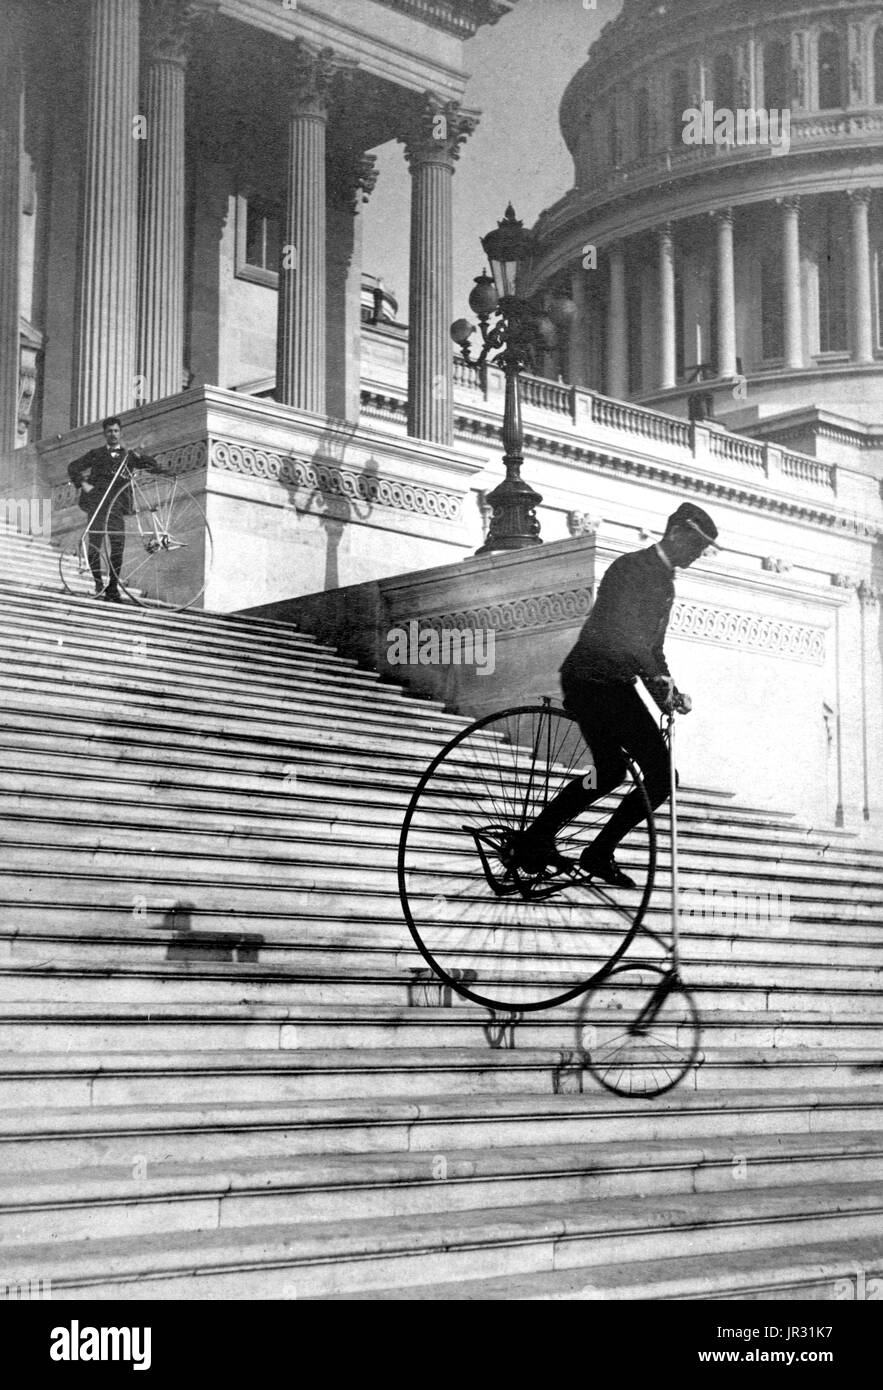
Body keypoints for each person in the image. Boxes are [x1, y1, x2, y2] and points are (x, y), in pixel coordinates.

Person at [517, 501, 719, 886]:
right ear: (675, 533)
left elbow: (652, 649)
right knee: (652, 776)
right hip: (593, 680)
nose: (696, 556)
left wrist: (667, 691)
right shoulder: (631, 569)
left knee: (621, 773)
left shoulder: (664, 582)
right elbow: (625, 636)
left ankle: (552, 840)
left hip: (611, 683)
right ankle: (583, 849)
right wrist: (656, 678)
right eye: (695, 546)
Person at [67, 417, 165, 602]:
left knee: (117, 546)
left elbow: (150, 465)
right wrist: (84, 485)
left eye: (116, 431)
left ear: (121, 433)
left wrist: (141, 455)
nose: (113, 434)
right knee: (95, 544)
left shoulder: (128, 456)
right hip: (97, 504)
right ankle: (97, 585)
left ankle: (112, 588)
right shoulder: (96, 454)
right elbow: (73, 467)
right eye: (109, 431)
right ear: (105, 434)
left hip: (117, 507)